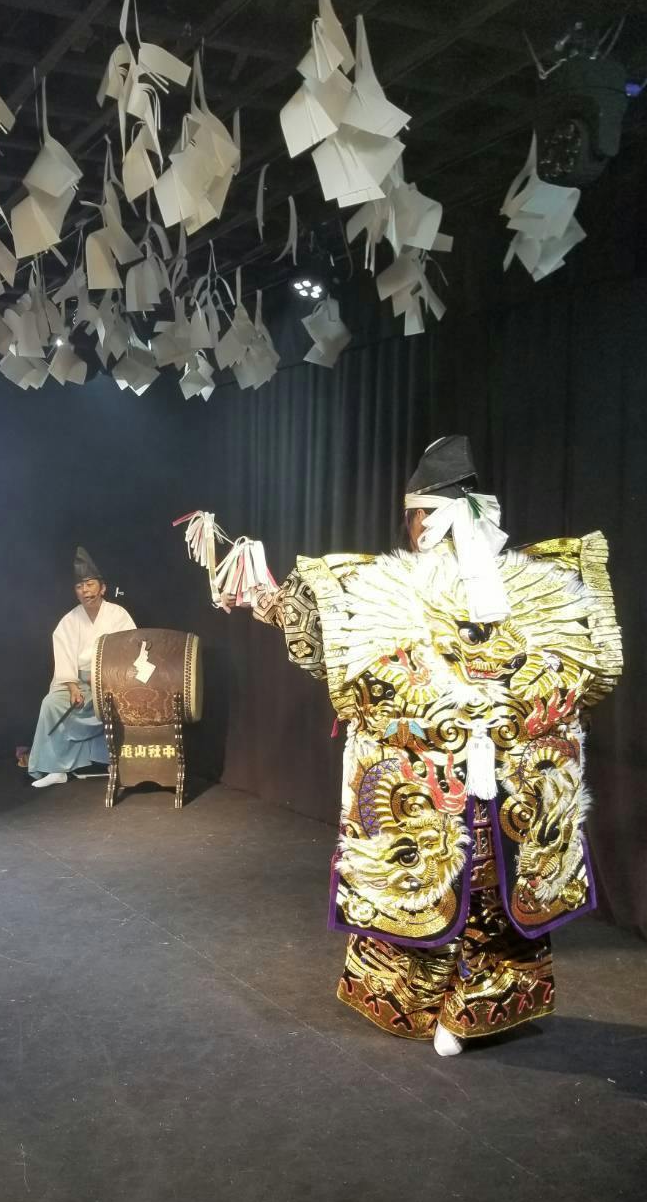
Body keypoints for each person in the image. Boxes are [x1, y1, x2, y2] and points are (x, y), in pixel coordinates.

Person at [244, 434, 622, 1056]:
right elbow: (583, 679)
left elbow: (340, 666)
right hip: (505, 786)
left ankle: (428, 1011)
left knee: (435, 891)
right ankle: (472, 1011)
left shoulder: (383, 586)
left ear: (423, 517)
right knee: (488, 898)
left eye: (412, 517)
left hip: (439, 785)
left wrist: (271, 602)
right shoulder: (543, 584)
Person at [28, 548, 136, 788]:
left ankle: (116, 762)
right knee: (51, 704)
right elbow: (64, 657)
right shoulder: (69, 621)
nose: (85, 590)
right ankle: (56, 768)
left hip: (112, 682)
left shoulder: (118, 615)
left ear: (102, 588)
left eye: (89, 584)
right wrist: (72, 687)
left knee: (120, 705)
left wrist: (109, 679)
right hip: (79, 683)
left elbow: (131, 651)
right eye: (79, 586)